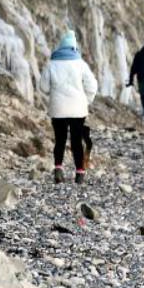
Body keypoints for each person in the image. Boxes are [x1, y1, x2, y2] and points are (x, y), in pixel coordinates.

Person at [39, 30, 98, 184]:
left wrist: (54, 95)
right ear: (74, 46)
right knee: (76, 141)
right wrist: (87, 101)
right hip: (78, 109)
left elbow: (43, 87)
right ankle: (79, 173)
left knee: (60, 140)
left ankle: (58, 169)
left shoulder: (51, 64)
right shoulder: (80, 64)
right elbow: (92, 85)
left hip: (58, 109)